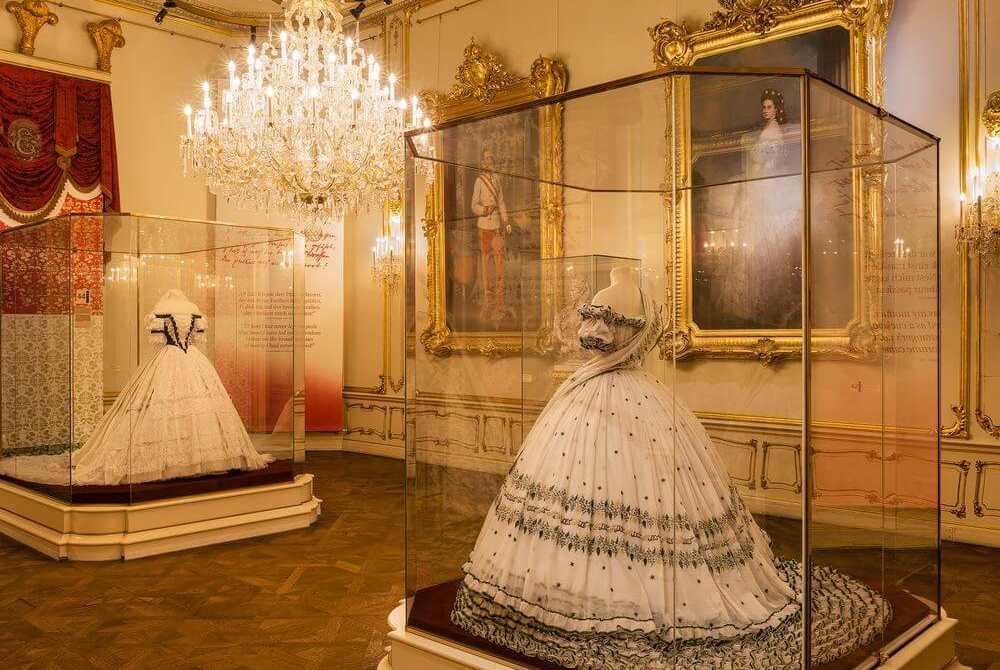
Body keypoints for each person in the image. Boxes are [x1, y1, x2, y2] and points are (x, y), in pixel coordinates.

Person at [450, 268, 891, 669]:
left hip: (614, 395)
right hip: (609, 395)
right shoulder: (635, 301)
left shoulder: (613, 296)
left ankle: (616, 594)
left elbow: (598, 340)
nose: (596, 324)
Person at [470, 147, 510, 319]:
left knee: (500, 263)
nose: (489, 162)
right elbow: (474, 205)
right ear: (482, 162)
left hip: (497, 227)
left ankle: (500, 304)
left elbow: (501, 202)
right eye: (486, 159)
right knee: (487, 266)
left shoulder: (497, 180)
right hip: (485, 227)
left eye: (491, 159)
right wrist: (485, 210)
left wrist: (506, 221)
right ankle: (488, 302)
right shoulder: (479, 181)